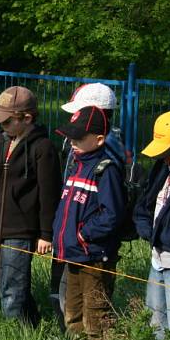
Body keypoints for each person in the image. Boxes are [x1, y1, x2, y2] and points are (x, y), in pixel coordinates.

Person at [0, 86, 61, 326]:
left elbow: (49, 193)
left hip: (23, 228)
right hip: (1, 225)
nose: (2, 125)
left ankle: (14, 335)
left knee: (12, 289)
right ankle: (32, 325)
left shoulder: (43, 148)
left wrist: (46, 234)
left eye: (7, 120)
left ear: (27, 118)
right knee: (7, 283)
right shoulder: (2, 142)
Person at [53, 82, 129, 322]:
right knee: (73, 315)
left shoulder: (106, 164)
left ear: (98, 138)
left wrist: (83, 234)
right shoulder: (79, 161)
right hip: (74, 251)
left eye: (78, 135)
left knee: (96, 316)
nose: (72, 141)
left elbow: (111, 213)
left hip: (93, 252)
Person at [133, 111, 170, 340]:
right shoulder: (162, 168)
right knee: (154, 321)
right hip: (157, 257)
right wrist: (148, 232)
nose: (167, 159)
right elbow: (145, 204)